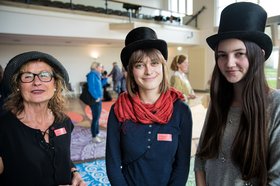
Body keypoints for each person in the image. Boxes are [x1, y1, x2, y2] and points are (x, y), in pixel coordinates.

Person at [194, 2, 280, 186]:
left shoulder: (276, 105)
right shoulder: (219, 100)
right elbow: (201, 158)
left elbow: (276, 178)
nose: (229, 63)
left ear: (260, 54)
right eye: (222, 55)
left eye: (239, 53)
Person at [106, 26, 193, 185]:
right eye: (139, 65)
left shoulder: (181, 110)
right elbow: (112, 164)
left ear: (162, 66)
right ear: (131, 71)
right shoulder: (119, 110)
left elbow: (182, 165)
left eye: (154, 63)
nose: (148, 71)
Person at [0, 51, 86, 185]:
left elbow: (62, 156)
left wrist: (74, 173)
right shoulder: (4, 127)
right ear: (17, 86)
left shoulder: (63, 121)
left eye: (44, 75)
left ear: (55, 84)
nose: (37, 82)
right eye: (28, 76)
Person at [87, 61, 103, 143]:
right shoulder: (92, 75)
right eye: (100, 66)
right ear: (96, 67)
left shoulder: (97, 75)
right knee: (95, 118)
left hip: (99, 99)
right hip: (95, 100)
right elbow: (91, 88)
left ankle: (97, 132)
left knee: (97, 117)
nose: (102, 68)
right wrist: (96, 97)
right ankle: (94, 136)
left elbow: (100, 86)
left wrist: (105, 78)